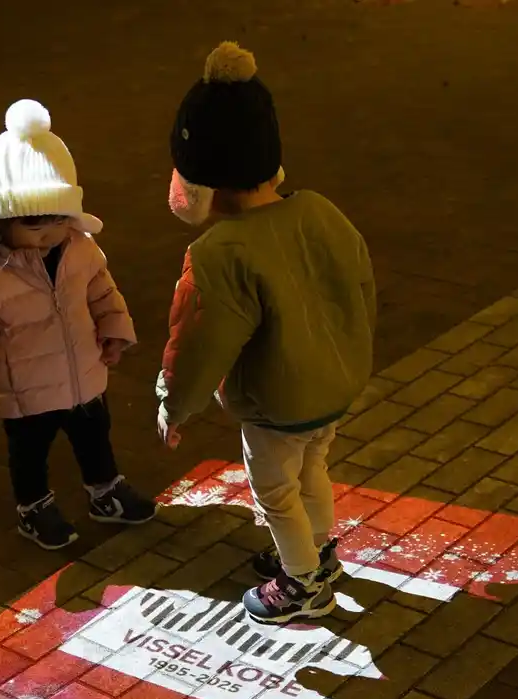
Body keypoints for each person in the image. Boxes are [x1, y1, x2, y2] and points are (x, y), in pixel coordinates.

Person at [156, 42, 378, 625]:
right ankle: (319, 554)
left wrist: (175, 404)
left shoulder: (218, 253)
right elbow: (360, 293)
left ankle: (302, 583)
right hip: (334, 388)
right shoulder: (321, 212)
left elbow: (199, 345)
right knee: (312, 469)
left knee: (275, 491)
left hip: (275, 403)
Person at [0, 99, 156, 550]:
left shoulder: (80, 248)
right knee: (29, 453)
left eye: (58, 218)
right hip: (26, 390)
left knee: (95, 437)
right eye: (33, 222)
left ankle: (105, 489)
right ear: (0, 218)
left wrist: (114, 329)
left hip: (83, 374)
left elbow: (102, 291)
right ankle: (33, 507)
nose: (48, 232)